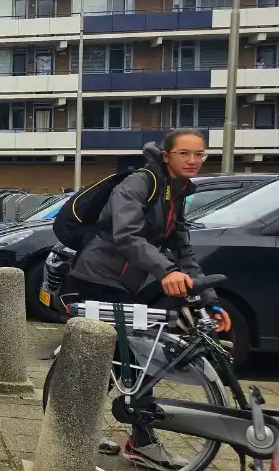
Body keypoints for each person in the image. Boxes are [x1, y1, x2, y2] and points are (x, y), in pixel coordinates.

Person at [65, 129, 230, 470]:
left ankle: (104, 433)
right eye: (185, 153)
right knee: (112, 360)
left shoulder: (179, 191)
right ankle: (80, 436)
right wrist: (165, 270)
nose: (193, 161)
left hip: (127, 284)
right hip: (96, 277)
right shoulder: (142, 183)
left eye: (200, 154)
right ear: (167, 155)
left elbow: (183, 249)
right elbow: (126, 235)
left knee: (129, 363)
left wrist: (209, 302)